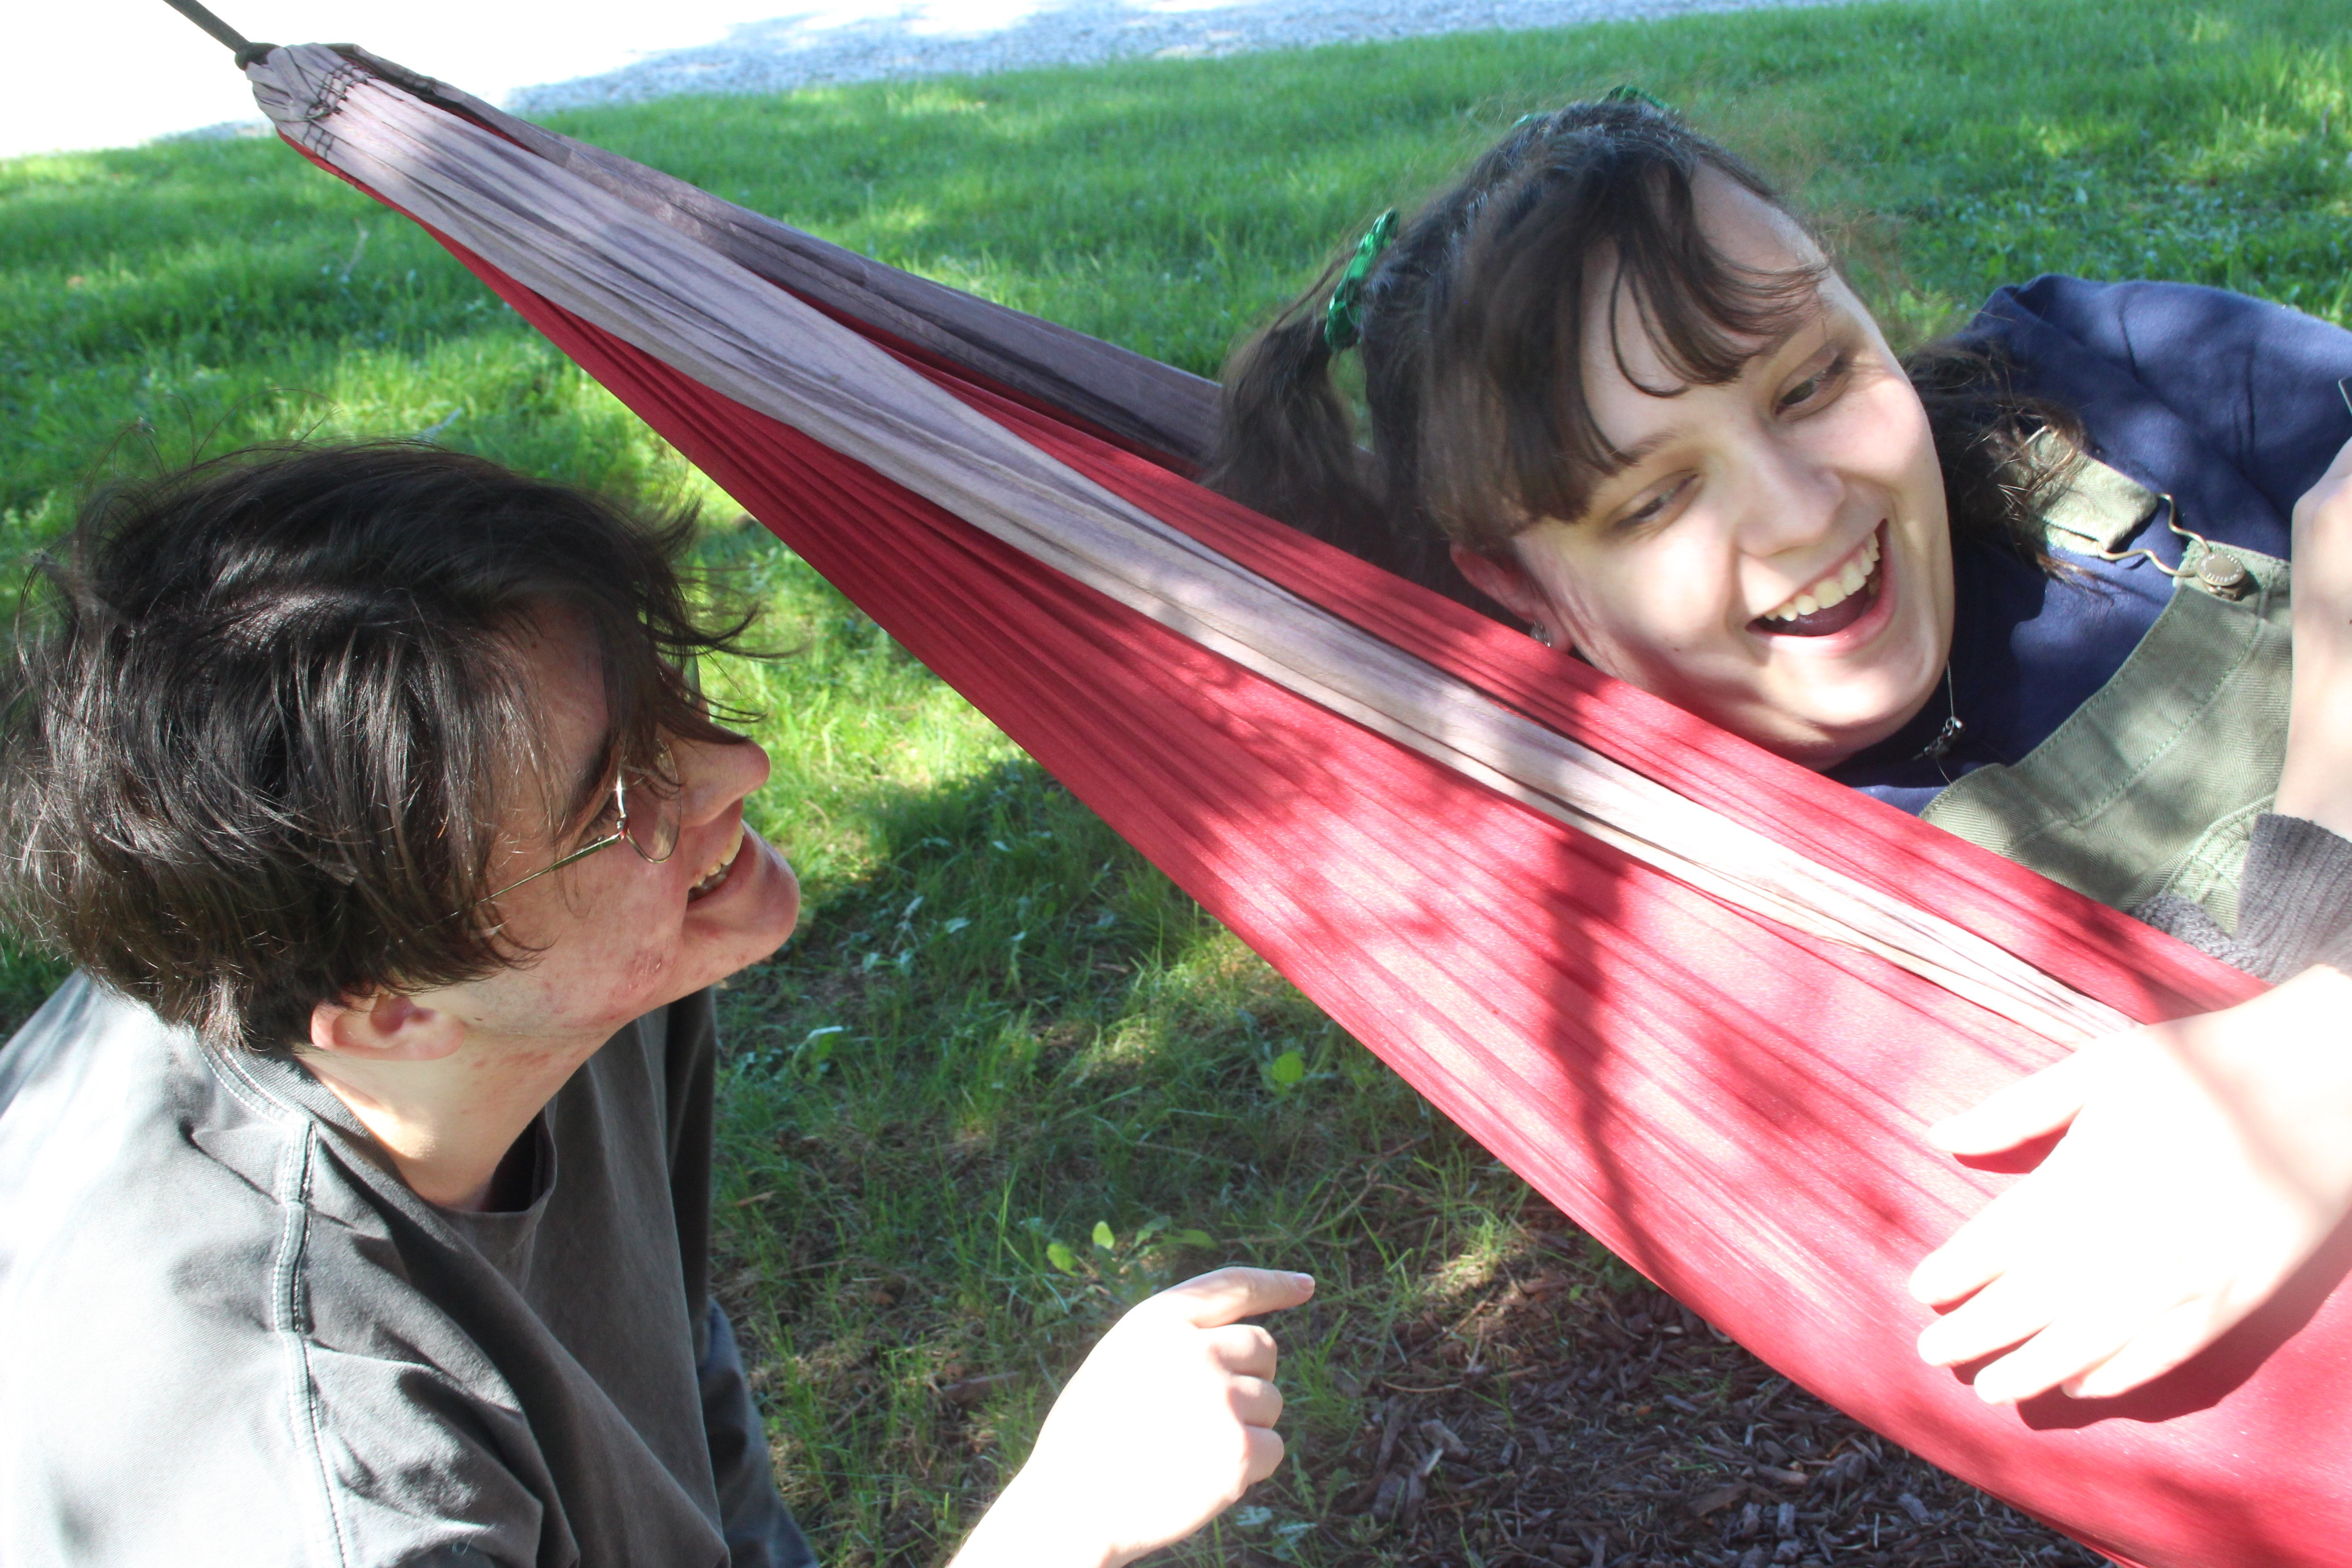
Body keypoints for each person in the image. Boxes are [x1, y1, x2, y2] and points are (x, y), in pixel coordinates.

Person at [1206, 98, 2352, 1409]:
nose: (1802, 510)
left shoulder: (2108, 380)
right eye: (1654, 498)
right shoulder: (1664, 917)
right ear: (1522, 585)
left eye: (1812, 382)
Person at [0, 444, 1310, 1568]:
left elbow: (671, 1372)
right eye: (622, 795)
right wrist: (1056, 1523)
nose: (738, 767)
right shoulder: (340, 1483)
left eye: (657, 692)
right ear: (390, 1014)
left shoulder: (534, 982)